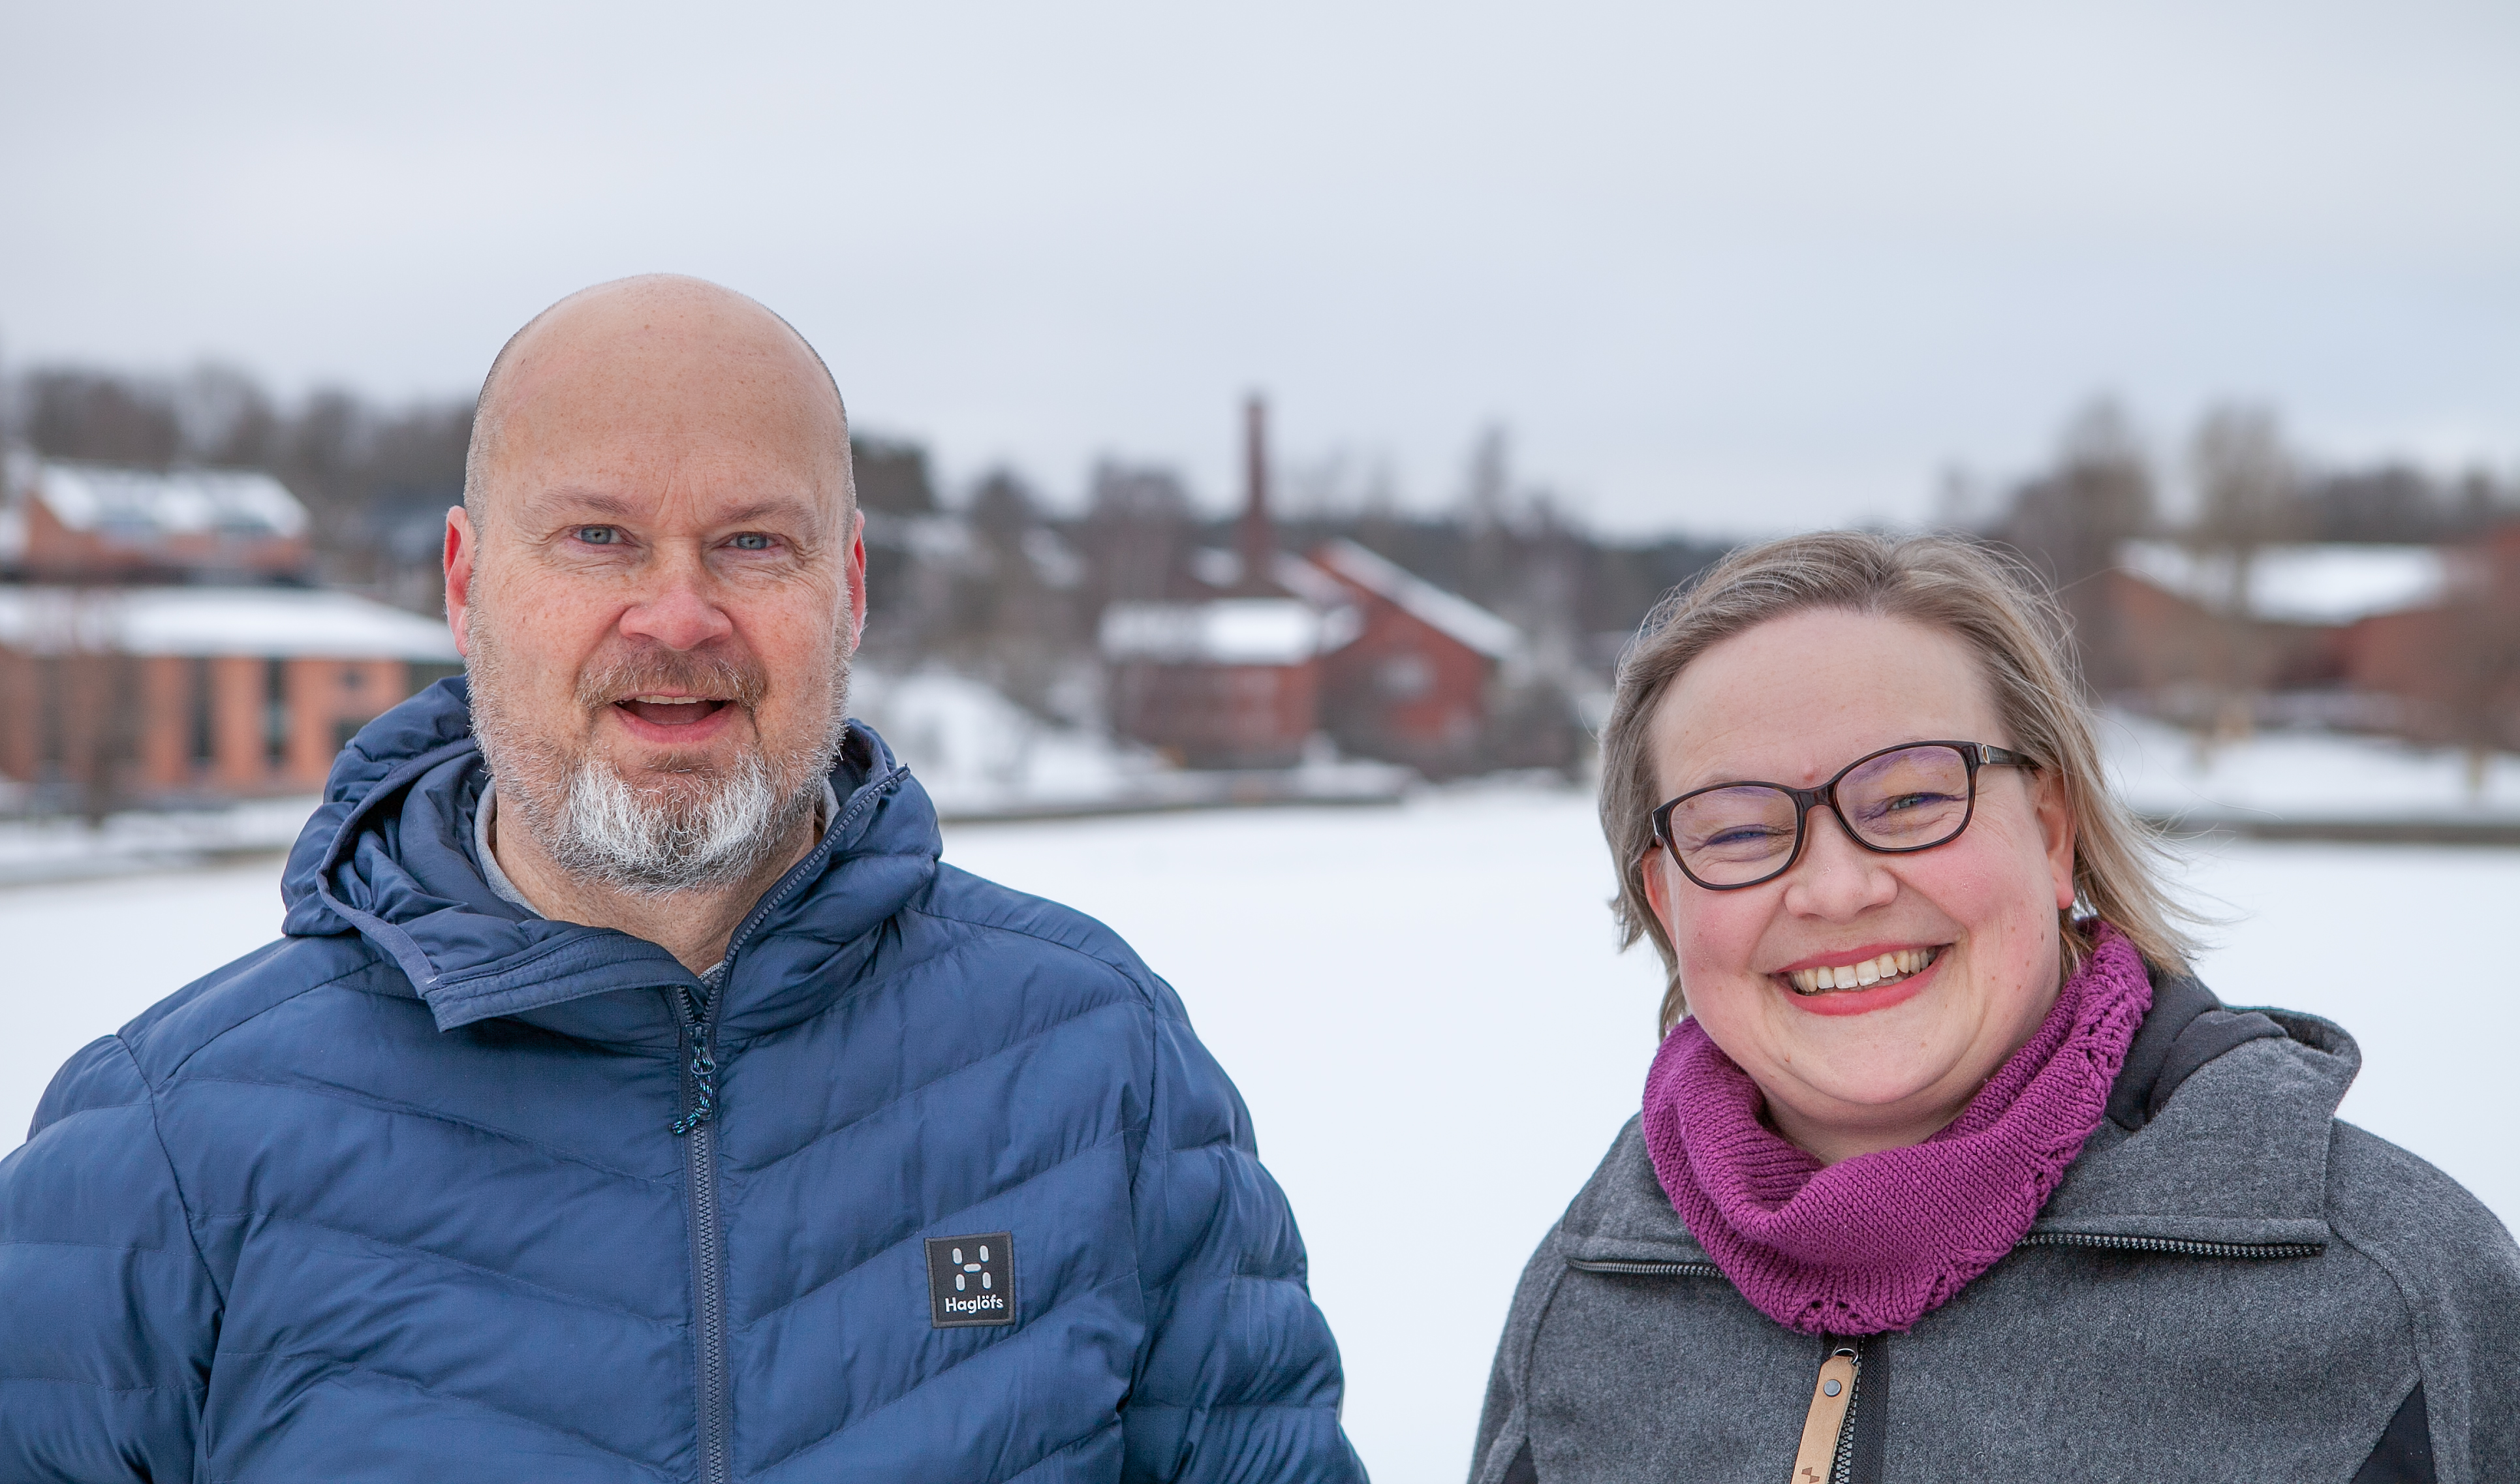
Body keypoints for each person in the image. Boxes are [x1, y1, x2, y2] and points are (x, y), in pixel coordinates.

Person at [0, 275, 1366, 1482]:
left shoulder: (1092, 1065)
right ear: (467, 584)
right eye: (596, 537)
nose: (676, 614)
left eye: (751, 543)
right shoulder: (169, 1145)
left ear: (848, 589)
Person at [1469, 531, 2519, 1483]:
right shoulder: (1589, 1289)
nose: (1837, 889)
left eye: (1914, 799)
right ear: (1665, 897)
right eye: (1738, 830)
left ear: (2051, 832)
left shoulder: (2396, 1287)